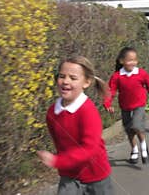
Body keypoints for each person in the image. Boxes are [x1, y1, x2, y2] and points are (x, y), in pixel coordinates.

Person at [37, 56, 113, 195]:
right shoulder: (52, 112)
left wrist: (57, 161)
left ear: (86, 82)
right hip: (69, 176)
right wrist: (62, 163)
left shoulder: (88, 111)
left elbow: (89, 148)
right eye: (61, 76)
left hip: (96, 176)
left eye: (73, 78)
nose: (65, 81)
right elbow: (59, 144)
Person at [104, 47, 149, 165]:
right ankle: (134, 149)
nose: (132, 62)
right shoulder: (117, 76)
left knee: (137, 125)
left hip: (139, 104)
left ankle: (143, 147)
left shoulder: (141, 73)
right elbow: (111, 91)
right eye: (129, 60)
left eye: (134, 60)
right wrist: (108, 103)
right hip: (125, 106)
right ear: (122, 61)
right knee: (129, 130)